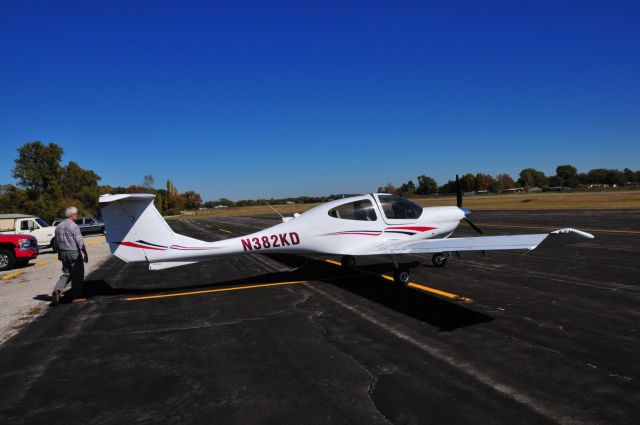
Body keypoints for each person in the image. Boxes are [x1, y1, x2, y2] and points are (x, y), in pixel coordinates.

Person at [51, 206, 88, 305]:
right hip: (73, 253)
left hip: (63, 252)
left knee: (66, 274)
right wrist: (85, 253)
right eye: (76, 213)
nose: (77, 215)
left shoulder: (58, 226)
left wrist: (59, 253)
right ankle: (75, 296)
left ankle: (57, 291)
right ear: (72, 215)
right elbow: (79, 241)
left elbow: (56, 243)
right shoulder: (74, 226)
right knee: (78, 274)